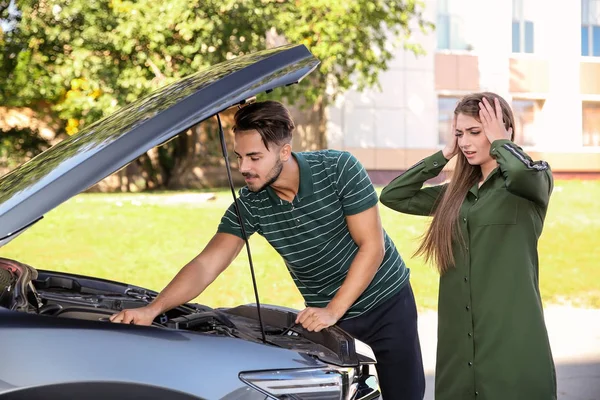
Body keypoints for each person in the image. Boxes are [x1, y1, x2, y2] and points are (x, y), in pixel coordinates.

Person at [110, 100, 425, 399]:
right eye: (239, 156)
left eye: (254, 157)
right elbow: (207, 264)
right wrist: (153, 308)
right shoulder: (251, 203)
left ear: (284, 151)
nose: (243, 167)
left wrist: (333, 310)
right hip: (325, 315)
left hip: (386, 303)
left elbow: (371, 246)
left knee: (405, 395)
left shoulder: (338, 168)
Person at [379, 92, 556, 400]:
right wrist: (444, 154)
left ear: (506, 131)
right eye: (460, 133)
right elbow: (394, 195)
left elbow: (517, 171)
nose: (465, 142)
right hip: (458, 343)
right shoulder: (455, 194)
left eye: (476, 131)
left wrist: (501, 141)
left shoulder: (530, 183)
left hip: (510, 337)